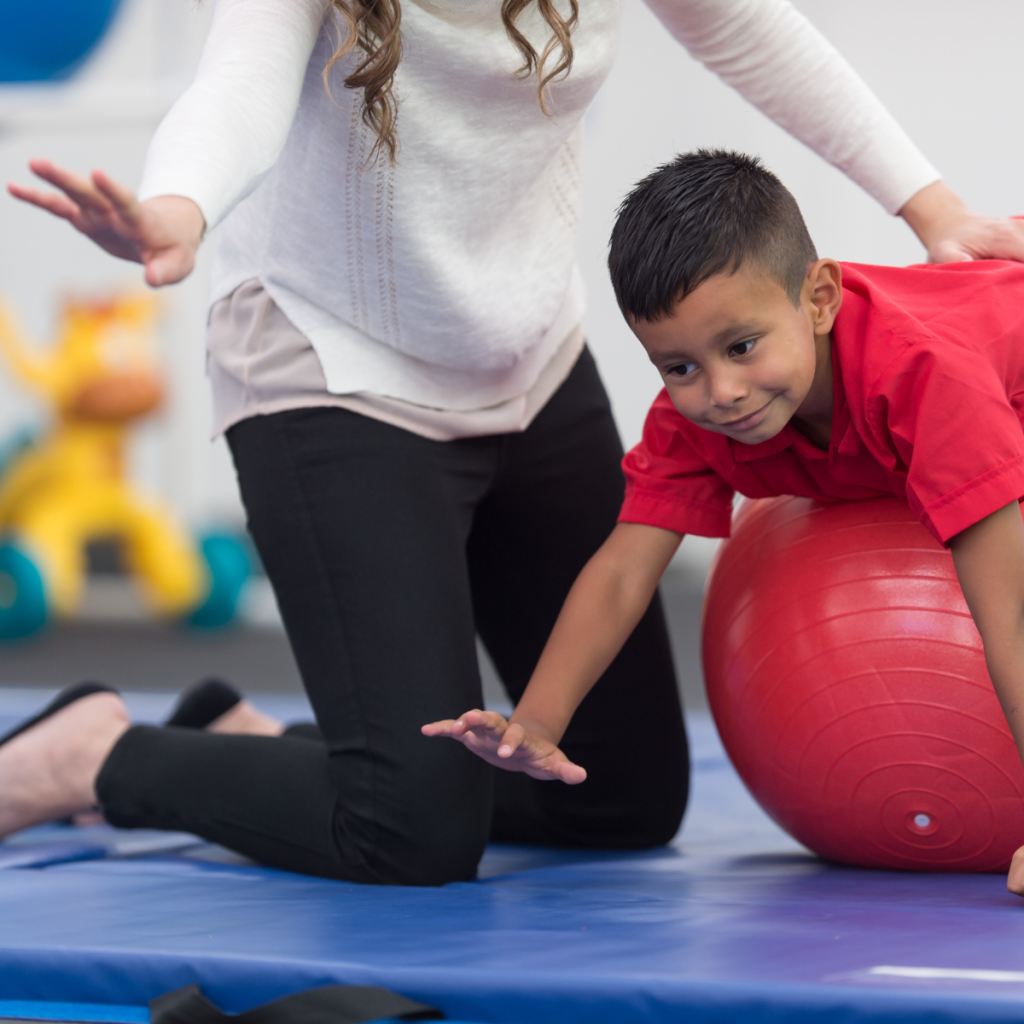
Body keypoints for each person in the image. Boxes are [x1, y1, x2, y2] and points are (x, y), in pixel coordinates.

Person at [2, 0, 1024, 886]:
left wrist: (931, 208)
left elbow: (752, 29)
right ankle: (95, 754)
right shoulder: (697, 403)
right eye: (691, 366)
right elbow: (238, 84)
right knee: (407, 832)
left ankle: (280, 751)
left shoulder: (903, 366)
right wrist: (175, 206)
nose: (719, 388)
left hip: (528, 359)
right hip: (334, 370)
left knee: (616, 797)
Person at [422, 149, 1024, 894]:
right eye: (678, 367)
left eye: (741, 347)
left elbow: (1011, 615)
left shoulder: (926, 382)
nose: (721, 392)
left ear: (820, 298)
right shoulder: (696, 425)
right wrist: (537, 724)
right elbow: (620, 573)